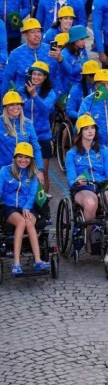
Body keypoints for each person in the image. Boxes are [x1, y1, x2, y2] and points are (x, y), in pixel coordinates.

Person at [65, 114, 108, 251]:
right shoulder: (72, 154)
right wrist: (77, 181)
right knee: (91, 202)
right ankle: (88, 237)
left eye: (92, 128)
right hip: (83, 188)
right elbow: (71, 179)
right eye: (86, 129)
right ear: (80, 132)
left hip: (102, 186)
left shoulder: (103, 150)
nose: (90, 131)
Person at [1, 143, 50, 276]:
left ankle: (38, 260)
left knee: (28, 221)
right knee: (22, 222)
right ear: (15, 157)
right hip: (9, 208)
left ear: (31, 159)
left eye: (27, 157)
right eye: (20, 156)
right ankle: (16, 264)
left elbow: (32, 195)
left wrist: (27, 207)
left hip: (27, 207)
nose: (23, 160)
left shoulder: (32, 174)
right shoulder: (5, 171)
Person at [18, 62, 56, 193]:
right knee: (23, 171)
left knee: (43, 172)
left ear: (45, 77)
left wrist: (34, 95)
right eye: (34, 74)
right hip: (24, 136)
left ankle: (44, 199)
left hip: (42, 136)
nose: (36, 77)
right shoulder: (21, 91)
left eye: (40, 75)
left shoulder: (50, 93)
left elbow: (46, 110)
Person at [0, 92, 44, 181]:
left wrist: (39, 170)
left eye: (18, 104)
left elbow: (36, 147)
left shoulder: (28, 124)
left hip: (24, 171)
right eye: (11, 104)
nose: (15, 107)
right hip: (3, 171)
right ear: (5, 107)